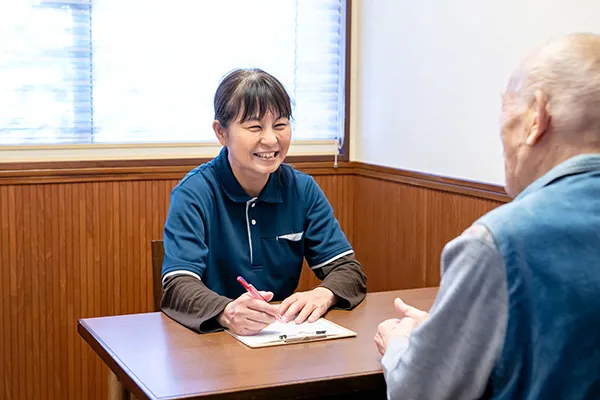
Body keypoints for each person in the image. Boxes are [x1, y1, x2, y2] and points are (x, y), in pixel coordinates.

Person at [374, 33, 600, 399]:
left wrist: (401, 343)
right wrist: (447, 336)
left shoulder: (501, 241)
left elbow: (418, 391)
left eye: (506, 108)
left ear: (537, 117)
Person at [160, 68, 367, 335]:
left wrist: (325, 293)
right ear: (221, 132)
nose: (270, 139)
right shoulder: (194, 193)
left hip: (279, 336)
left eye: (280, 125)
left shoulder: (302, 189)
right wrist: (226, 312)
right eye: (255, 127)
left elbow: (349, 270)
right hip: (211, 340)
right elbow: (177, 285)